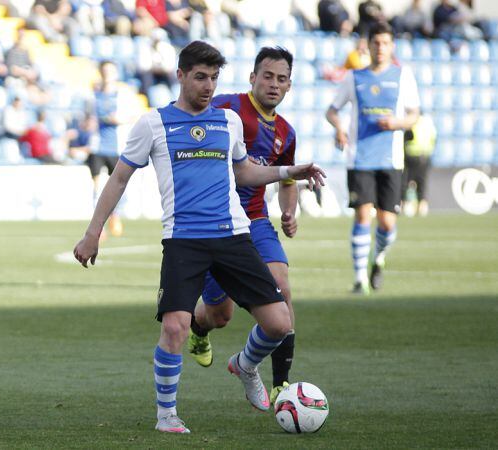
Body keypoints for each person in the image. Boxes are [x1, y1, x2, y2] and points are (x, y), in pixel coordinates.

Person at [73, 41, 325, 434]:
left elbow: (244, 174)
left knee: (279, 323)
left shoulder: (228, 122)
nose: (208, 86)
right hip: (183, 240)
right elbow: (119, 177)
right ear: (180, 75)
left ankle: (243, 365)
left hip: (232, 235)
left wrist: (290, 171)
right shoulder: (152, 123)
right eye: (200, 77)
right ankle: (166, 414)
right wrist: (93, 234)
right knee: (175, 327)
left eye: (214, 78)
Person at [186, 46, 300, 406]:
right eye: (267, 76)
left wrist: (289, 212)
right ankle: (198, 328)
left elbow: (286, 180)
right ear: (253, 77)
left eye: (281, 79)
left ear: (289, 86)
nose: (273, 84)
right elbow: (191, 124)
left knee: (281, 285)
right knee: (219, 315)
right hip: (213, 223)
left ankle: (274, 380)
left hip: (254, 220)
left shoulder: (286, 132)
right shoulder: (228, 106)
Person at [325, 22, 420, 295]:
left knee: (387, 223)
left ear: (392, 47)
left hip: (391, 159)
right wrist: (340, 128)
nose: (380, 48)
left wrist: (397, 122)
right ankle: (359, 280)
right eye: (376, 43)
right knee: (362, 216)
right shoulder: (354, 78)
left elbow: (414, 115)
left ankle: (378, 260)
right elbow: (332, 111)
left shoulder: (404, 77)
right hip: (360, 158)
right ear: (368, 45)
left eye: (385, 43)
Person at [91, 60, 127, 237]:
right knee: (97, 187)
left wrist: (120, 119)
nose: (107, 74)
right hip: (97, 147)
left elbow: (133, 115)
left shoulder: (122, 95)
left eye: (110, 71)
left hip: (117, 147)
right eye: (104, 71)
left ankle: (115, 215)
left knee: (117, 186)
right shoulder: (94, 95)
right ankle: (98, 226)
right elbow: (87, 119)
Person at [402, 113, 436, 217]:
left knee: (407, 182)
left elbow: (407, 137)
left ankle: (405, 206)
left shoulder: (412, 122)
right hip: (425, 156)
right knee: (422, 183)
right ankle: (422, 207)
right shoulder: (428, 123)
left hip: (411, 156)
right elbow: (433, 139)